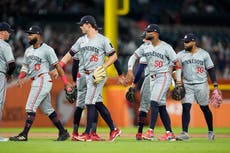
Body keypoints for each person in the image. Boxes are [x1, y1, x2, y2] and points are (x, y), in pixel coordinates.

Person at [60, 15, 123, 142]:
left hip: (96, 75)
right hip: (83, 74)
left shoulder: (103, 40)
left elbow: (114, 56)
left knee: (89, 102)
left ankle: (88, 133)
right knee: (97, 103)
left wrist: (104, 67)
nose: (80, 26)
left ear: (89, 25)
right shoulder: (81, 40)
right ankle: (114, 129)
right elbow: (69, 54)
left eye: (82, 24)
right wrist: (60, 65)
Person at [9, 25, 72, 141]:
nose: (29, 36)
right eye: (28, 34)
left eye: (31, 34)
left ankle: (24, 135)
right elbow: (25, 67)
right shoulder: (28, 50)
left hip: (43, 79)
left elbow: (58, 67)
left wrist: (66, 82)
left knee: (30, 107)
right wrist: (20, 77)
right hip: (36, 80)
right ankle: (63, 132)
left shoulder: (47, 49)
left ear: (38, 35)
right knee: (48, 109)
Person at [127, 24, 182, 141]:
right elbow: (133, 57)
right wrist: (130, 70)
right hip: (152, 78)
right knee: (161, 106)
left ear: (156, 33)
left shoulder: (166, 47)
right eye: (146, 31)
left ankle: (150, 132)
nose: (146, 33)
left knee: (154, 101)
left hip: (163, 76)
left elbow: (177, 64)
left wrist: (178, 81)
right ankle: (169, 133)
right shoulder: (145, 47)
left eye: (149, 32)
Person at [176, 33, 218, 141]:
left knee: (204, 108)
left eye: (187, 41)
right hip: (187, 84)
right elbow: (177, 69)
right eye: (184, 41)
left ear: (194, 42)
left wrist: (215, 85)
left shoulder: (204, 54)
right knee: (186, 107)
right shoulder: (180, 55)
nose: (185, 43)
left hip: (201, 84)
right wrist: (178, 82)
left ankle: (211, 131)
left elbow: (211, 69)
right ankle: (185, 133)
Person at [0, 22, 16, 142]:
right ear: (2, 32)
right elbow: (12, 64)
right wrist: (9, 74)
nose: (9, 34)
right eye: (8, 31)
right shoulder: (4, 45)